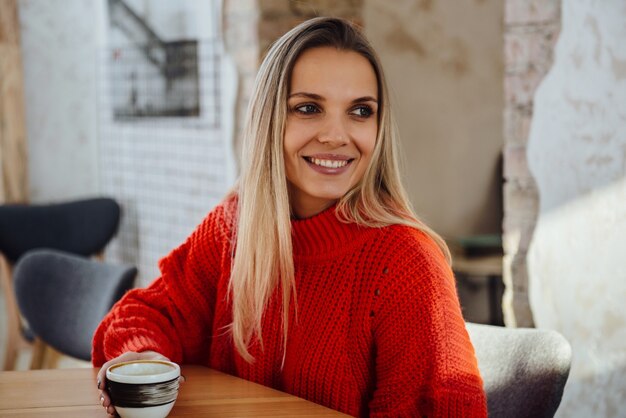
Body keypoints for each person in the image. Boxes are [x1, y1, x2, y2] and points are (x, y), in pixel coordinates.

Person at [94, 17, 487, 417]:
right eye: (309, 108)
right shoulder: (236, 228)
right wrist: (141, 363)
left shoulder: (406, 263)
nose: (336, 135)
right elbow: (147, 314)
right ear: (269, 121)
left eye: (360, 111)